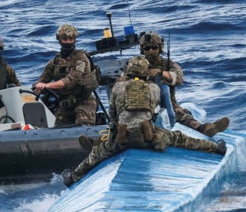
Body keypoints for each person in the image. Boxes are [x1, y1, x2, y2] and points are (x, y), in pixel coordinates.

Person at [62, 56, 226, 187]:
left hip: (123, 139)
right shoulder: (153, 88)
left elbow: (113, 114)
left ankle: (72, 177)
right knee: (180, 138)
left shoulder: (118, 88)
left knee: (96, 155)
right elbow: (153, 112)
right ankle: (216, 148)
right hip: (148, 138)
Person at [140, 31, 229, 136]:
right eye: (147, 48)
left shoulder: (168, 64)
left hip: (168, 105)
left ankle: (204, 128)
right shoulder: (137, 64)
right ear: (142, 50)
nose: (151, 51)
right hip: (142, 105)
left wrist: (161, 73)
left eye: (154, 47)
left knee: (183, 115)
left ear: (160, 48)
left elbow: (178, 78)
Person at [33, 24, 98, 126]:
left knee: (84, 128)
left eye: (71, 39)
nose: (68, 42)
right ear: (59, 40)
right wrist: (37, 89)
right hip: (64, 105)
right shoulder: (55, 61)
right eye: (65, 39)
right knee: (56, 131)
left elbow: (69, 81)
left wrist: (46, 86)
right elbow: (42, 80)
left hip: (83, 103)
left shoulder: (81, 58)